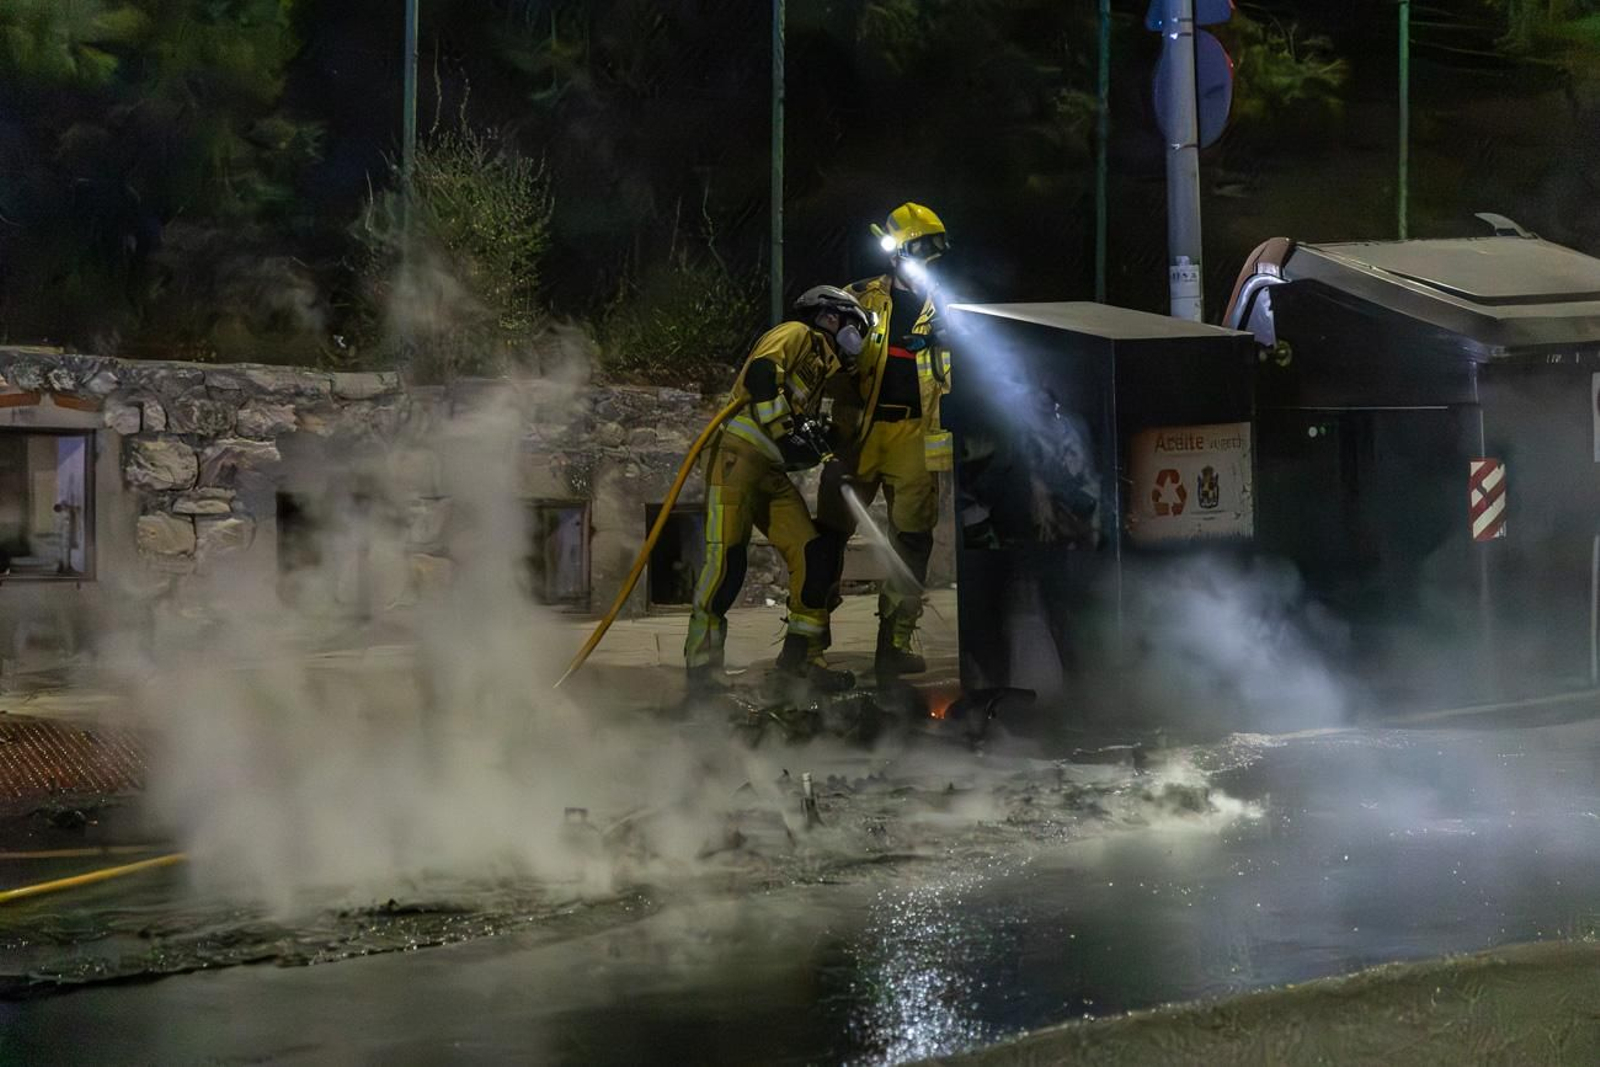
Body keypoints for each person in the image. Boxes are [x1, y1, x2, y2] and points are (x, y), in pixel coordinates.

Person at [684, 285, 872, 697]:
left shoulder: (821, 367)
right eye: (854, 326)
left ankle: (800, 664)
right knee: (727, 565)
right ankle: (702, 674)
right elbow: (762, 375)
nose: (855, 338)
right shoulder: (796, 333)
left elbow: (804, 424)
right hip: (736, 456)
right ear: (831, 317)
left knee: (815, 554)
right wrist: (787, 432)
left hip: (768, 469)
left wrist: (818, 439)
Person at [816, 202, 954, 682]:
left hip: (916, 434)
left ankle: (893, 644)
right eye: (919, 251)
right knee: (827, 536)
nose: (928, 261)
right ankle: (808, 642)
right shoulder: (859, 299)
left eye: (934, 252)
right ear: (896, 253)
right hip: (858, 431)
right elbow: (822, 360)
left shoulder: (949, 308)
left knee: (912, 541)